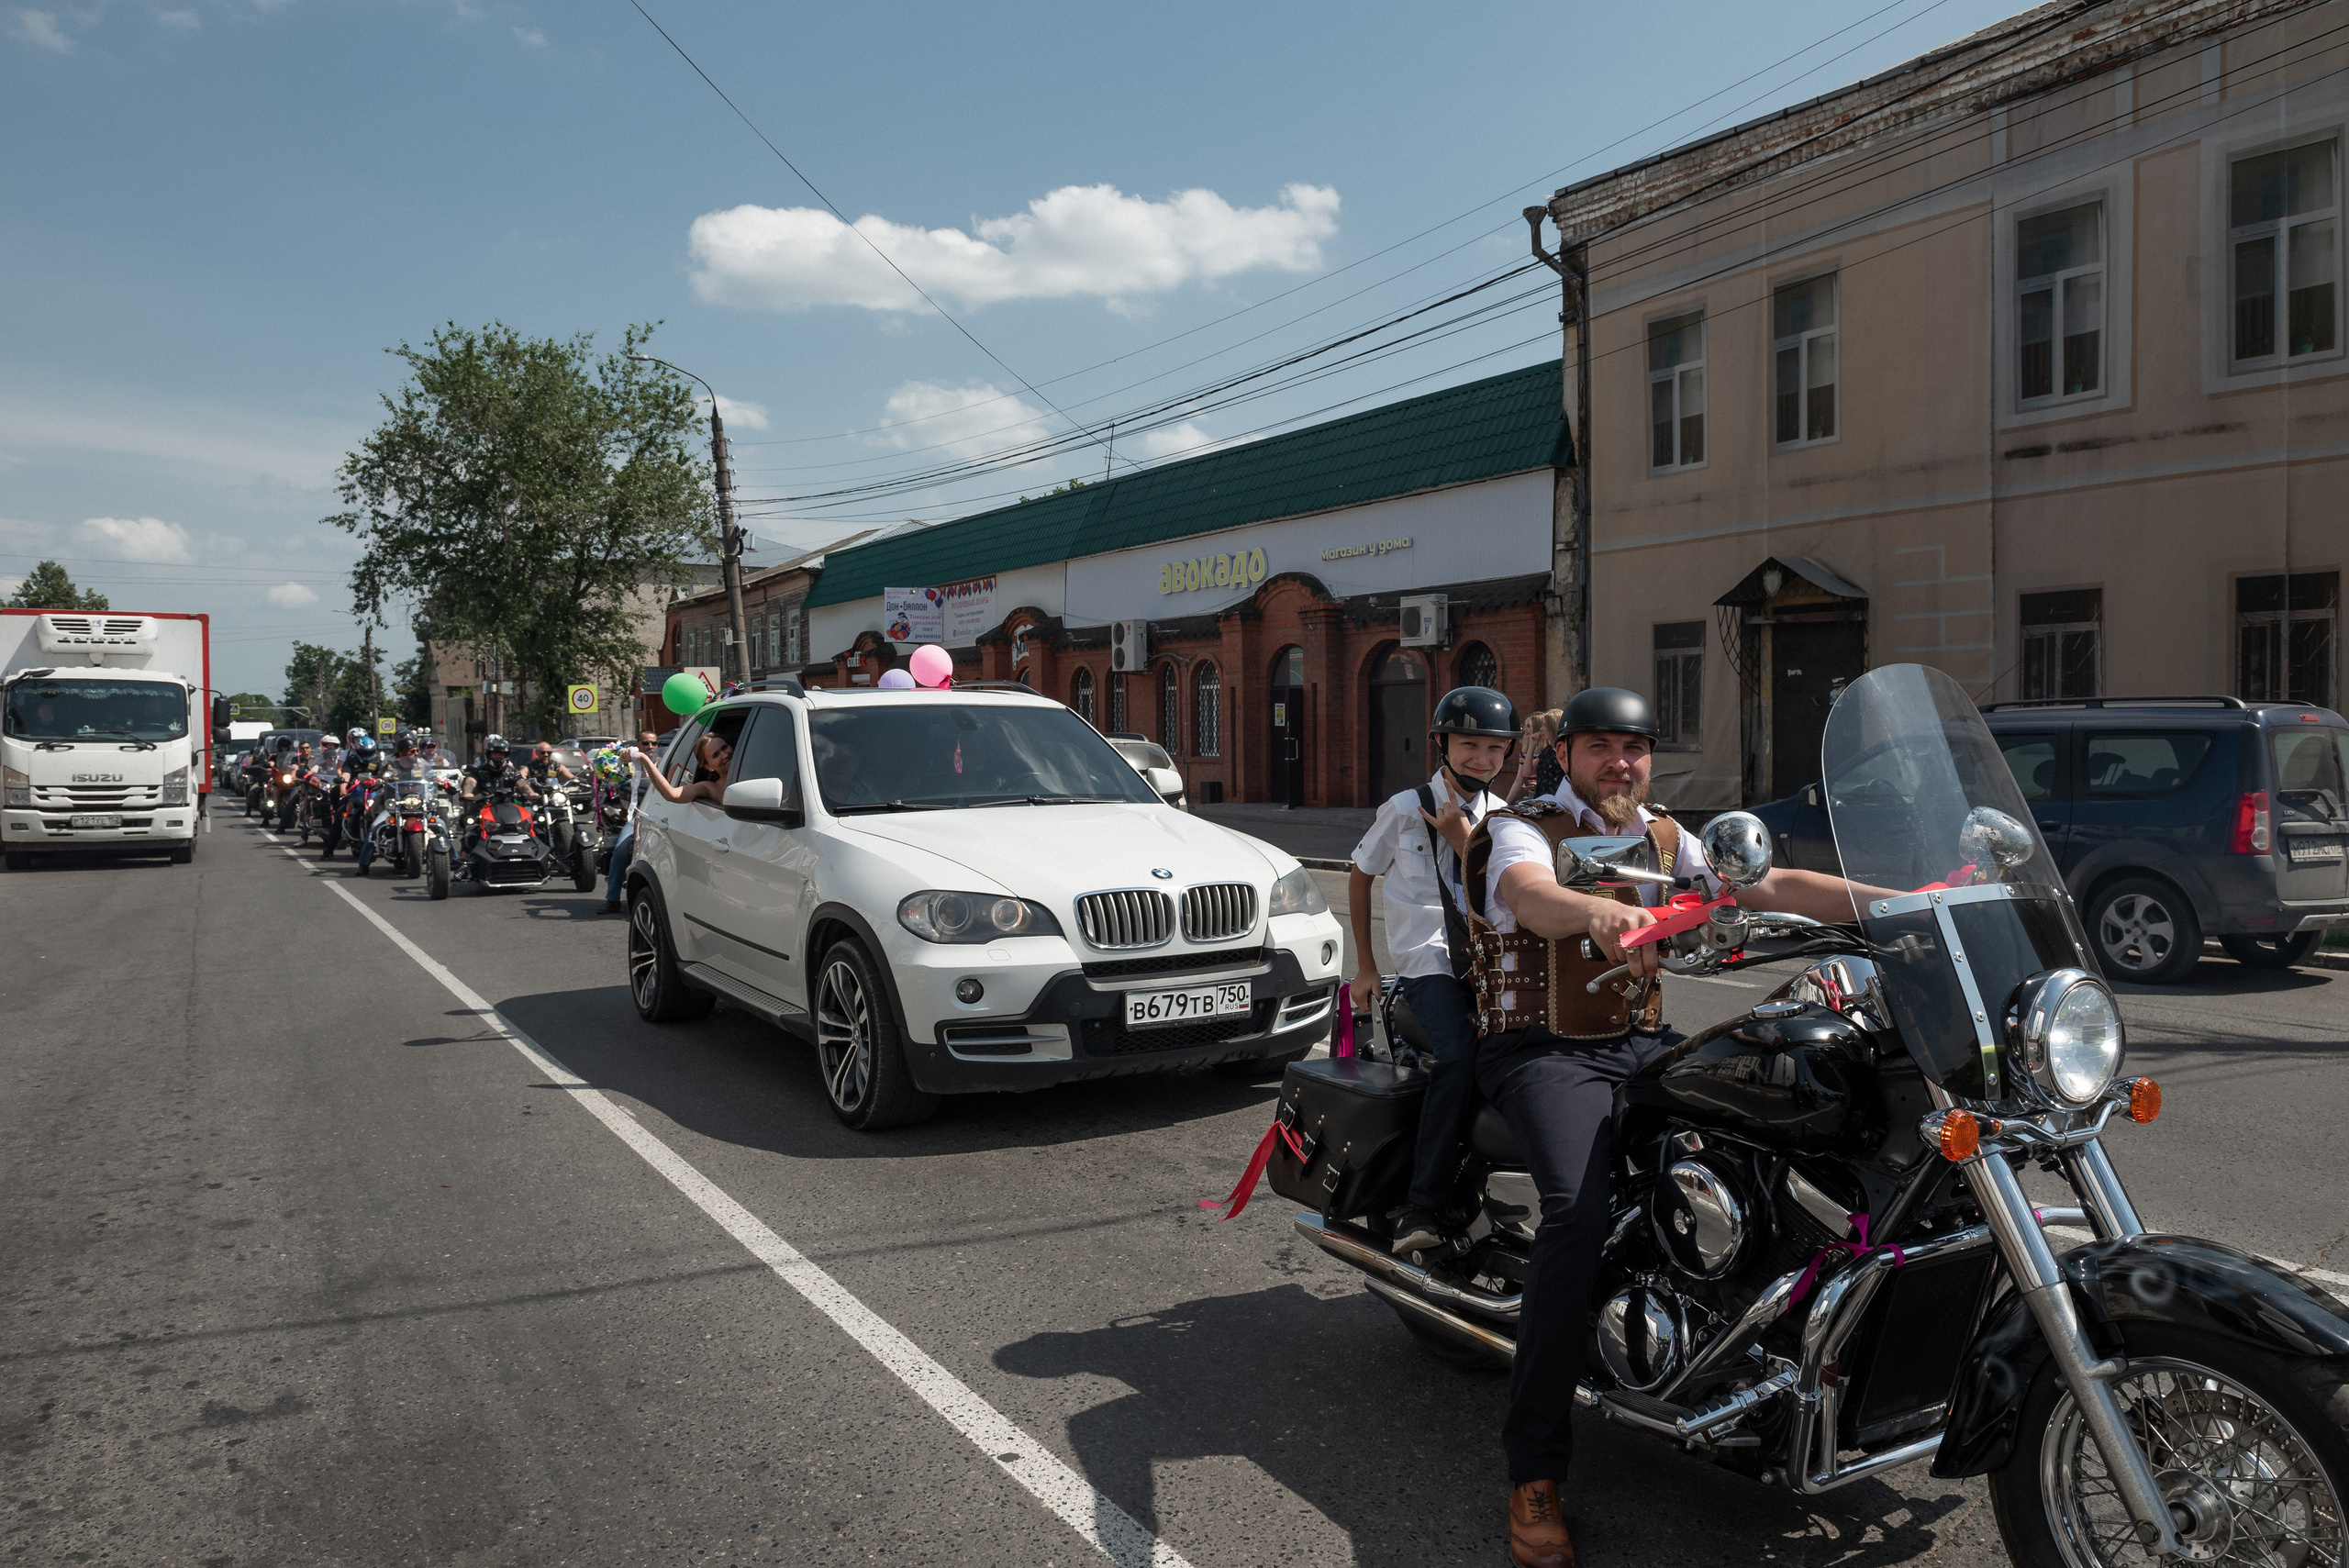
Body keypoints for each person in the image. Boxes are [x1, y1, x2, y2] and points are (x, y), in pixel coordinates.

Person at [1463, 687, 1885, 1568]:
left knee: (1782, 1137)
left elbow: (1766, 884)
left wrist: (1901, 900)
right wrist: (1602, 912)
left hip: (1637, 1041)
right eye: (1602, 747)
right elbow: (1530, 897)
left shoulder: (1664, 836)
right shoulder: (1522, 827)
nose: (1620, 762)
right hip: (1543, 1051)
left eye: (1636, 747)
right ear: (1567, 753)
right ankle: (1535, 1471)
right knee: (1575, 1214)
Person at [1346, 685, 1518, 1259]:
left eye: (1496, 749)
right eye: (1470, 745)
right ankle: (1420, 1204)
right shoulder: (1402, 808)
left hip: (1484, 963)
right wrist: (1366, 966)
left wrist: (1460, 837)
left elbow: (1501, 890)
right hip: (1428, 962)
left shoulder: (1499, 816)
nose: (1483, 760)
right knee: (1459, 1055)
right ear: (1442, 743)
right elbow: (1359, 873)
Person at [351, 731, 429, 874]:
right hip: (395, 805)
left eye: (417, 751)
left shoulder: (421, 766)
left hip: (417, 804)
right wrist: (376, 781)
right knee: (375, 828)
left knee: (440, 826)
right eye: (412, 751)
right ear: (402, 752)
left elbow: (431, 778)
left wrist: (440, 781)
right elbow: (380, 778)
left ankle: (454, 859)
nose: (416, 753)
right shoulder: (390, 766)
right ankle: (364, 864)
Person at [601, 729, 662, 914]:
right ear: (637, 744)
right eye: (645, 743)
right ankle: (612, 900)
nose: (650, 747)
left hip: (663, 816)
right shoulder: (630, 765)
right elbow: (612, 779)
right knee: (620, 851)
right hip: (637, 816)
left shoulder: (666, 764)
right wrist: (620, 760)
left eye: (654, 743)